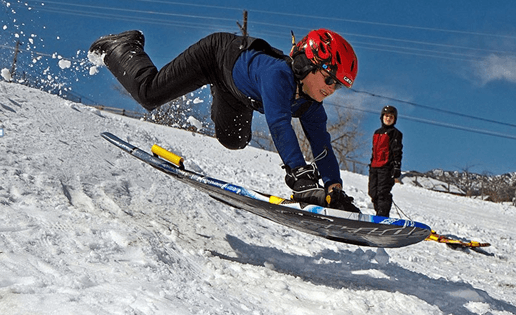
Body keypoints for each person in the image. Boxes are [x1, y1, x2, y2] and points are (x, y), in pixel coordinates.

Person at [89, 28, 360, 212]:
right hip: (214, 56)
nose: (331, 89)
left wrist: (333, 187)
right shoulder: (278, 75)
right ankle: (123, 45)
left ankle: (219, 90)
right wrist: (299, 175)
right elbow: (279, 124)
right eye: (329, 79)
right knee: (148, 94)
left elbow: (321, 143)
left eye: (337, 86)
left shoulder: (312, 105)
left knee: (234, 140)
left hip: (234, 89)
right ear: (307, 65)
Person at [368, 105, 403, 217]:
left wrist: (396, 167)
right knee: (373, 192)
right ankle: (379, 213)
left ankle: (383, 215)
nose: (388, 118)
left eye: (391, 117)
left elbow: (397, 151)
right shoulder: (377, 132)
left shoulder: (395, 133)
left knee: (382, 192)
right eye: (386, 116)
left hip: (386, 167)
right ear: (382, 117)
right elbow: (374, 150)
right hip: (374, 167)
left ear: (395, 119)